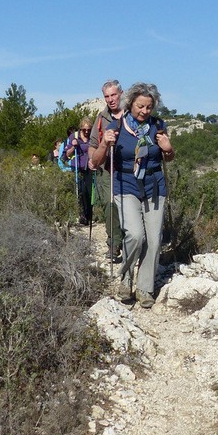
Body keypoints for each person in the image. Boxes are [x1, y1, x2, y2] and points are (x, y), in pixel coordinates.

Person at [90, 82, 175, 308]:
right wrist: (104, 144)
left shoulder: (158, 126)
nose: (144, 111)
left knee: (155, 240)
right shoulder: (116, 128)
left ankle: (145, 288)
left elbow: (168, 157)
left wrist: (168, 148)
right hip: (125, 184)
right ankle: (125, 280)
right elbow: (96, 161)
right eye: (140, 106)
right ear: (131, 103)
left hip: (154, 186)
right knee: (136, 235)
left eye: (149, 107)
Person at [89, 80, 125, 261]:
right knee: (109, 206)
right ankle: (114, 244)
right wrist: (92, 158)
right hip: (107, 169)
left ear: (121, 93)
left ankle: (131, 242)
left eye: (113, 95)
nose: (110, 99)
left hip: (128, 170)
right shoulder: (101, 118)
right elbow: (93, 144)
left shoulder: (132, 114)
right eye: (107, 96)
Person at [65, 117, 95, 225]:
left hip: (90, 167)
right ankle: (82, 215)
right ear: (80, 128)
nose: (87, 132)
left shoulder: (93, 136)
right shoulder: (74, 136)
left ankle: (89, 214)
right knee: (80, 191)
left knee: (89, 192)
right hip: (78, 167)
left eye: (89, 129)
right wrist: (73, 146)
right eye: (84, 129)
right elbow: (67, 154)